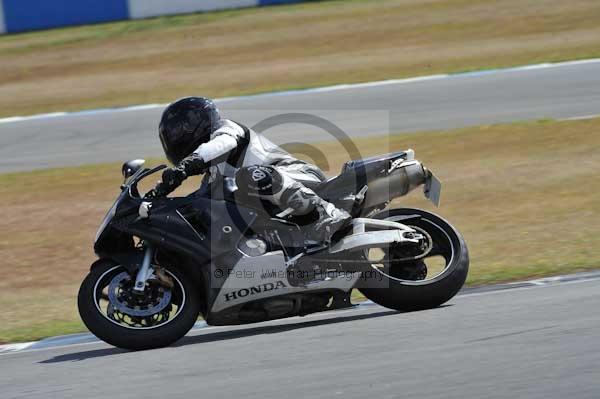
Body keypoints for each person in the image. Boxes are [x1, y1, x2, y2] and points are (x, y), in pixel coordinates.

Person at [146, 97, 350, 244]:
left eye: (177, 131)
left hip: (299, 176)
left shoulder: (227, 130)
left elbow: (220, 145)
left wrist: (184, 168)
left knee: (250, 175)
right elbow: (198, 201)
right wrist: (159, 202)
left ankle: (326, 214)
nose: (175, 138)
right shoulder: (213, 174)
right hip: (278, 200)